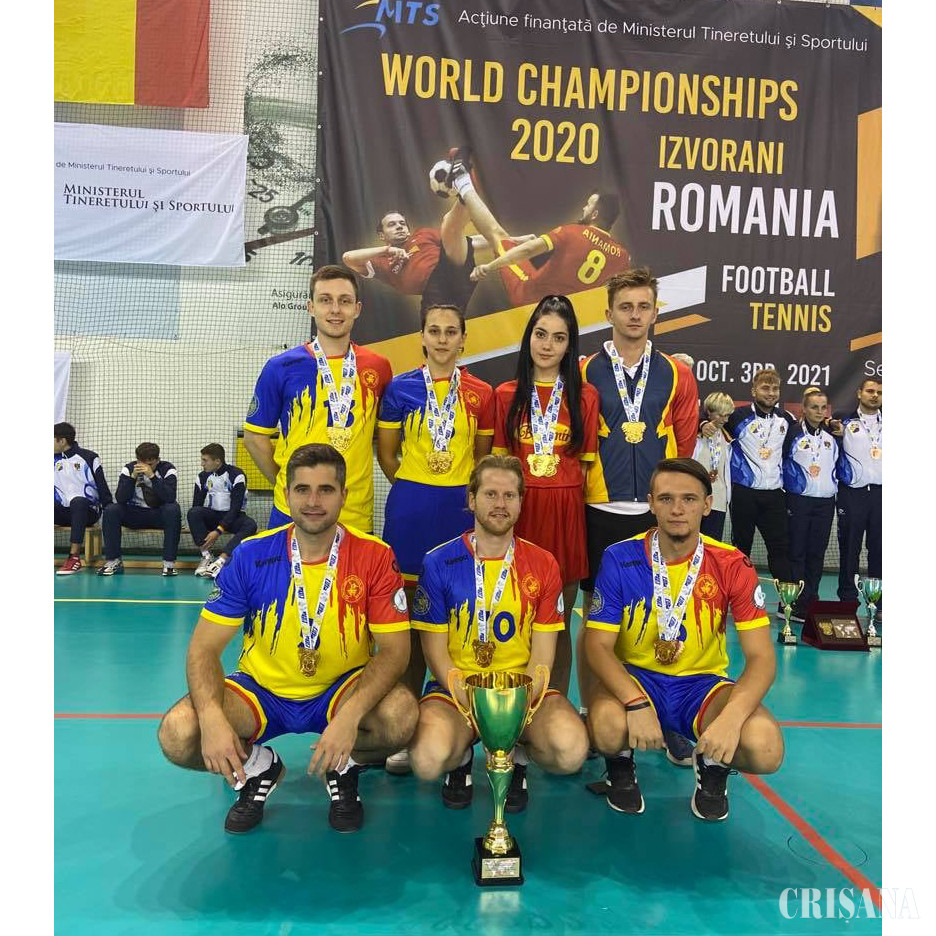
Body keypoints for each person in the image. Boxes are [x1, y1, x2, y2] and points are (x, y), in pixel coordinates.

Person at [156, 444, 418, 834]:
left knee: (401, 716)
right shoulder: (251, 554)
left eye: (326, 490)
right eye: (303, 489)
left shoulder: (375, 556)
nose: (313, 501)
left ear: (344, 495)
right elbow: (203, 648)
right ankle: (259, 767)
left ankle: (344, 765)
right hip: (261, 690)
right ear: (287, 493)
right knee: (179, 734)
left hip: (340, 689)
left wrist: (350, 717)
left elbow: (396, 652)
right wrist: (210, 718)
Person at [585, 457, 783, 821]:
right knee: (606, 726)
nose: (677, 509)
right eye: (666, 498)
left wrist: (731, 719)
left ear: (707, 505)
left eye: (689, 499)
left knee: (765, 747)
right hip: (638, 679)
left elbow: (761, 658)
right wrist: (635, 703)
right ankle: (620, 766)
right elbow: (597, 646)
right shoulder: (619, 557)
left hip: (702, 685)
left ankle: (712, 764)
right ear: (651, 503)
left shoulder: (732, 564)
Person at [408, 455, 588, 812]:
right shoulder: (438, 562)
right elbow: (435, 654)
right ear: (472, 499)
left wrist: (510, 712)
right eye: (490, 494)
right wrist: (478, 705)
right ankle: (461, 758)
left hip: (521, 691)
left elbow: (543, 657)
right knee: (427, 759)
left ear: (521, 502)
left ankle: (516, 753)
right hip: (458, 690)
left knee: (570, 751)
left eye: (509, 495)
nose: (500, 504)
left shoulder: (543, 563)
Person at [578, 268, 699, 764]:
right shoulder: (584, 370)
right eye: (625, 307)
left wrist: (674, 503)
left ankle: (669, 719)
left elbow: (684, 446)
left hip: (654, 513)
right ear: (608, 312)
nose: (634, 315)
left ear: (655, 312)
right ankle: (596, 713)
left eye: (643, 306)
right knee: (596, 618)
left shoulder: (677, 374)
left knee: (662, 613)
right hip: (597, 508)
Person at [376, 303, 494, 774]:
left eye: (451, 332)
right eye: (434, 331)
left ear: (464, 339)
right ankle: (403, 727)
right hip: (409, 511)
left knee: (458, 616)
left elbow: (482, 459)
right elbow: (388, 454)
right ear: (422, 337)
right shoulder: (399, 388)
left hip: (458, 513)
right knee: (405, 622)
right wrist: (416, 485)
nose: (443, 339)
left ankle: (457, 723)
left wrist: (454, 491)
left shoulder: (482, 393)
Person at [491, 295, 599, 694]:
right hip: (520, 514)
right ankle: (508, 705)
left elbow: (584, 469)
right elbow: (500, 469)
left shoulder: (585, 397)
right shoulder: (505, 394)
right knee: (511, 613)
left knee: (557, 621)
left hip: (565, 516)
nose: (548, 345)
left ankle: (554, 703)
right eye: (540, 334)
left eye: (559, 337)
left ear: (570, 345)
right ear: (528, 338)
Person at [243, 265, 392, 534]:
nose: (335, 309)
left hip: (355, 514)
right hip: (292, 513)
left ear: (357, 309)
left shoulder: (379, 367)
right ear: (311, 307)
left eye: (344, 301)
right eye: (325, 300)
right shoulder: (281, 366)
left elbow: (384, 438)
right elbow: (254, 438)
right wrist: (289, 485)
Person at [458, 171, 632, 307]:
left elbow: (527, 251)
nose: (584, 208)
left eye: (588, 205)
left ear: (595, 214)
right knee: (510, 242)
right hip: (566, 316)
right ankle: (515, 239)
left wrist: (488, 267)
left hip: (531, 299)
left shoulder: (572, 232)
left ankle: (461, 180)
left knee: (497, 235)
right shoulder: (622, 257)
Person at [724, 367, 796, 587]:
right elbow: (709, 418)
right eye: (765, 388)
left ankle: (787, 601)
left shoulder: (787, 419)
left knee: (780, 548)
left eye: (775, 389)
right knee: (741, 548)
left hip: (775, 495)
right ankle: (738, 597)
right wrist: (703, 424)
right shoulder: (737, 416)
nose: (771, 393)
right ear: (753, 391)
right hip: (744, 493)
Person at [782, 388, 841, 622]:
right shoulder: (792, 433)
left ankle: (811, 600)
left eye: (823, 407)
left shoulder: (833, 436)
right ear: (804, 409)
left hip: (825, 503)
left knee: (817, 553)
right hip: (799, 500)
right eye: (814, 407)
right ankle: (794, 602)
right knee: (797, 551)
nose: (819, 411)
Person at [99, 442, 181, 576]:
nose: (145, 467)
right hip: (135, 514)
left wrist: (152, 476)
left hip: (158, 514)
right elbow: (121, 498)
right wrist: (132, 478)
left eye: (150, 464)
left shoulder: (168, 469)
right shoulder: (129, 469)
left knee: (173, 509)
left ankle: (169, 563)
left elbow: (169, 497)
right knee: (111, 510)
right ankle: (114, 561)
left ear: (158, 460)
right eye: (142, 463)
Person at [835, 377, 882, 606]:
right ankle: (847, 601)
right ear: (859, 393)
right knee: (849, 548)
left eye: (879, 393)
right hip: (852, 493)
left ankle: (878, 603)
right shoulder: (842, 419)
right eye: (870, 391)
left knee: (880, 549)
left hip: (882, 495)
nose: (875, 396)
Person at [188, 443, 258, 578]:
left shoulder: (236, 475)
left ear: (217, 461)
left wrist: (218, 531)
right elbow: (197, 504)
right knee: (194, 512)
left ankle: (221, 561)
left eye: (205, 460)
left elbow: (235, 508)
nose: (202, 464)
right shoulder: (202, 477)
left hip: (234, 517)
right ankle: (206, 556)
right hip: (213, 515)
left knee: (250, 525)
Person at [54, 422, 112, 575]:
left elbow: (102, 485)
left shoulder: (89, 457)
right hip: (62, 511)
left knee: (78, 501)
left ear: (62, 441)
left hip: (87, 512)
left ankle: (74, 558)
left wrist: (110, 510)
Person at [692, 392, 734, 541]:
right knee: (690, 543)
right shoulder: (694, 433)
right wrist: (701, 423)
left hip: (718, 501)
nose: (725, 419)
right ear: (709, 412)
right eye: (721, 415)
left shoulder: (728, 437)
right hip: (693, 499)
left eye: (727, 415)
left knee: (712, 546)